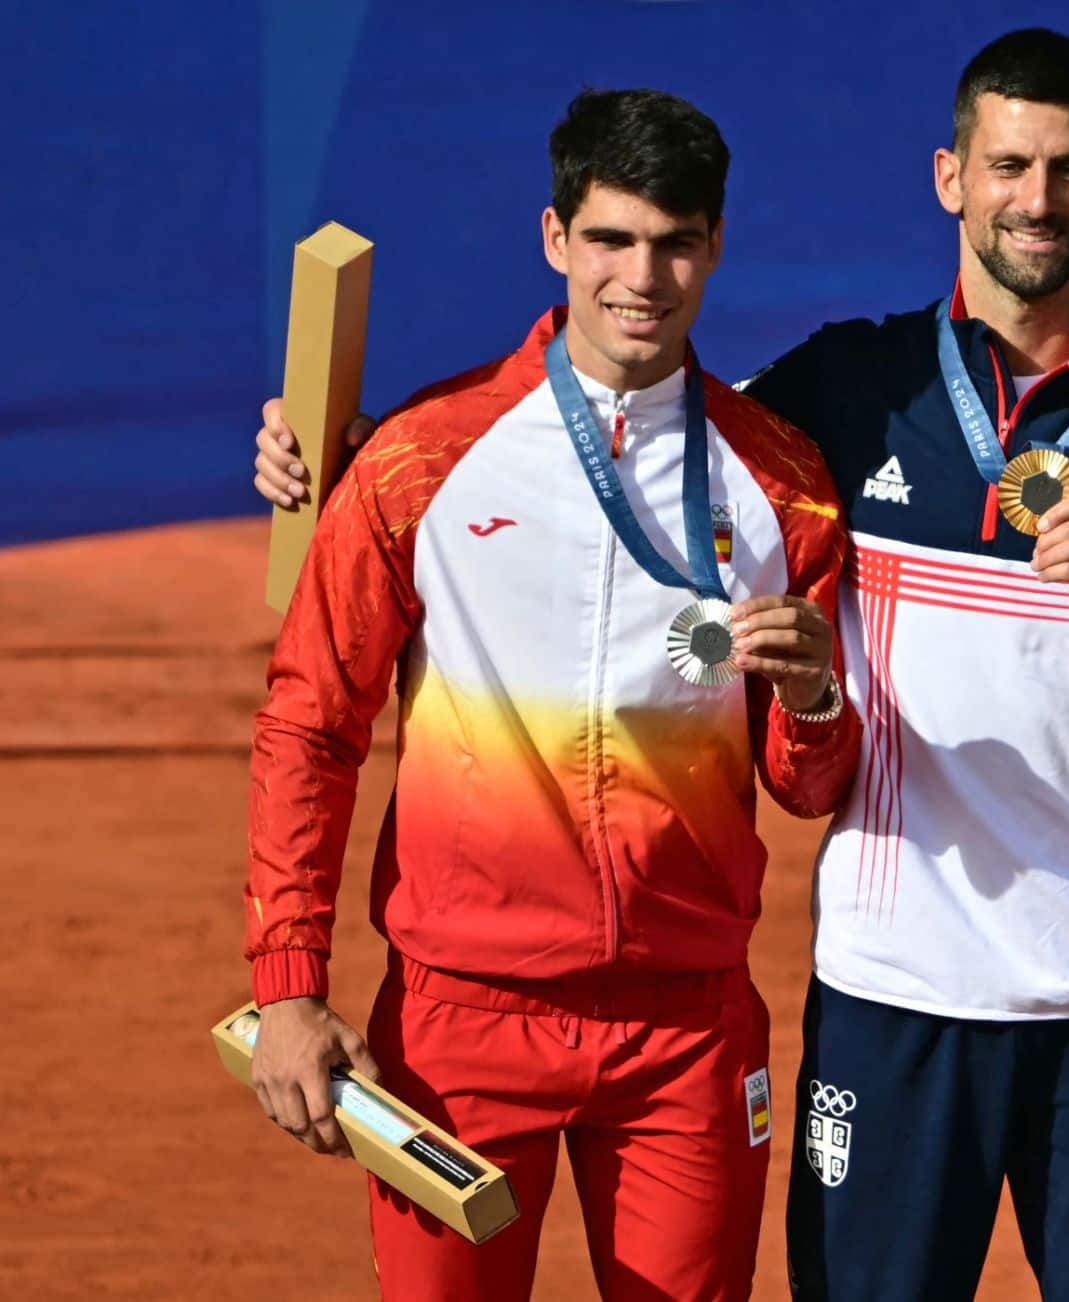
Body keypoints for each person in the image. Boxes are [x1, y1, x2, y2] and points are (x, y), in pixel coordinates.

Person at [256, 31, 1069, 1301]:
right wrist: (349, 460)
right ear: (948, 176)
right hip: (686, 1004)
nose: (1038, 197)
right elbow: (335, 700)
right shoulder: (807, 407)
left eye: (1068, 168)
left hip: (949, 1011)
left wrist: (834, 690)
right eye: (1009, 163)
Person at [244, 88, 858, 1301]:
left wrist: (815, 702)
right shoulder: (419, 459)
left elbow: (806, 787)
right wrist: (287, 988)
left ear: (716, 245)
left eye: (677, 241)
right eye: (612, 239)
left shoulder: (783, 485)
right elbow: (311, 723)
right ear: (554, 238)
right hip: (458, 1027)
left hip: (685, 1034)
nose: (645, 276)